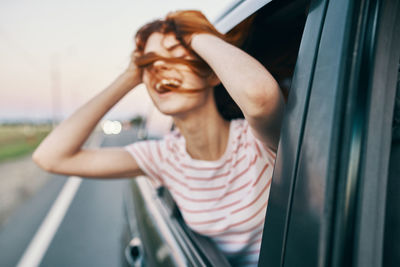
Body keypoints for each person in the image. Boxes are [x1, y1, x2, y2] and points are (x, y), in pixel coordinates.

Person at [33, 10, 285, 266]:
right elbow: (51, 157)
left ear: (211, 73)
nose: (161, 68)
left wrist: (191, 33)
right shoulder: (163, 157)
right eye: (150, 64)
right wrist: (129, 76)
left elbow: (259, 97)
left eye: (176, 55)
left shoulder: (256, 140)